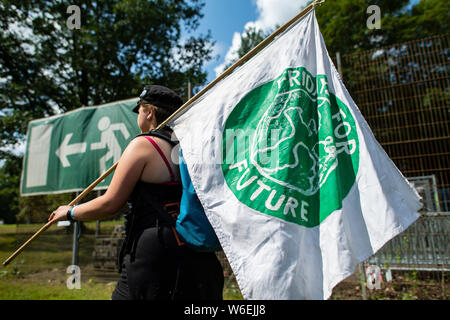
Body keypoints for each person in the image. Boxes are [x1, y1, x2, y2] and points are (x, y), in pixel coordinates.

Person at [48, 85, 224, 300]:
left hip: (155, 250)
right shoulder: (194, 146)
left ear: (149, 112)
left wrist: (69, 212)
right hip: (197, 248)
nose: (138, 116)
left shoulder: (143, 145)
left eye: (139, 110)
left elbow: (111, 203)